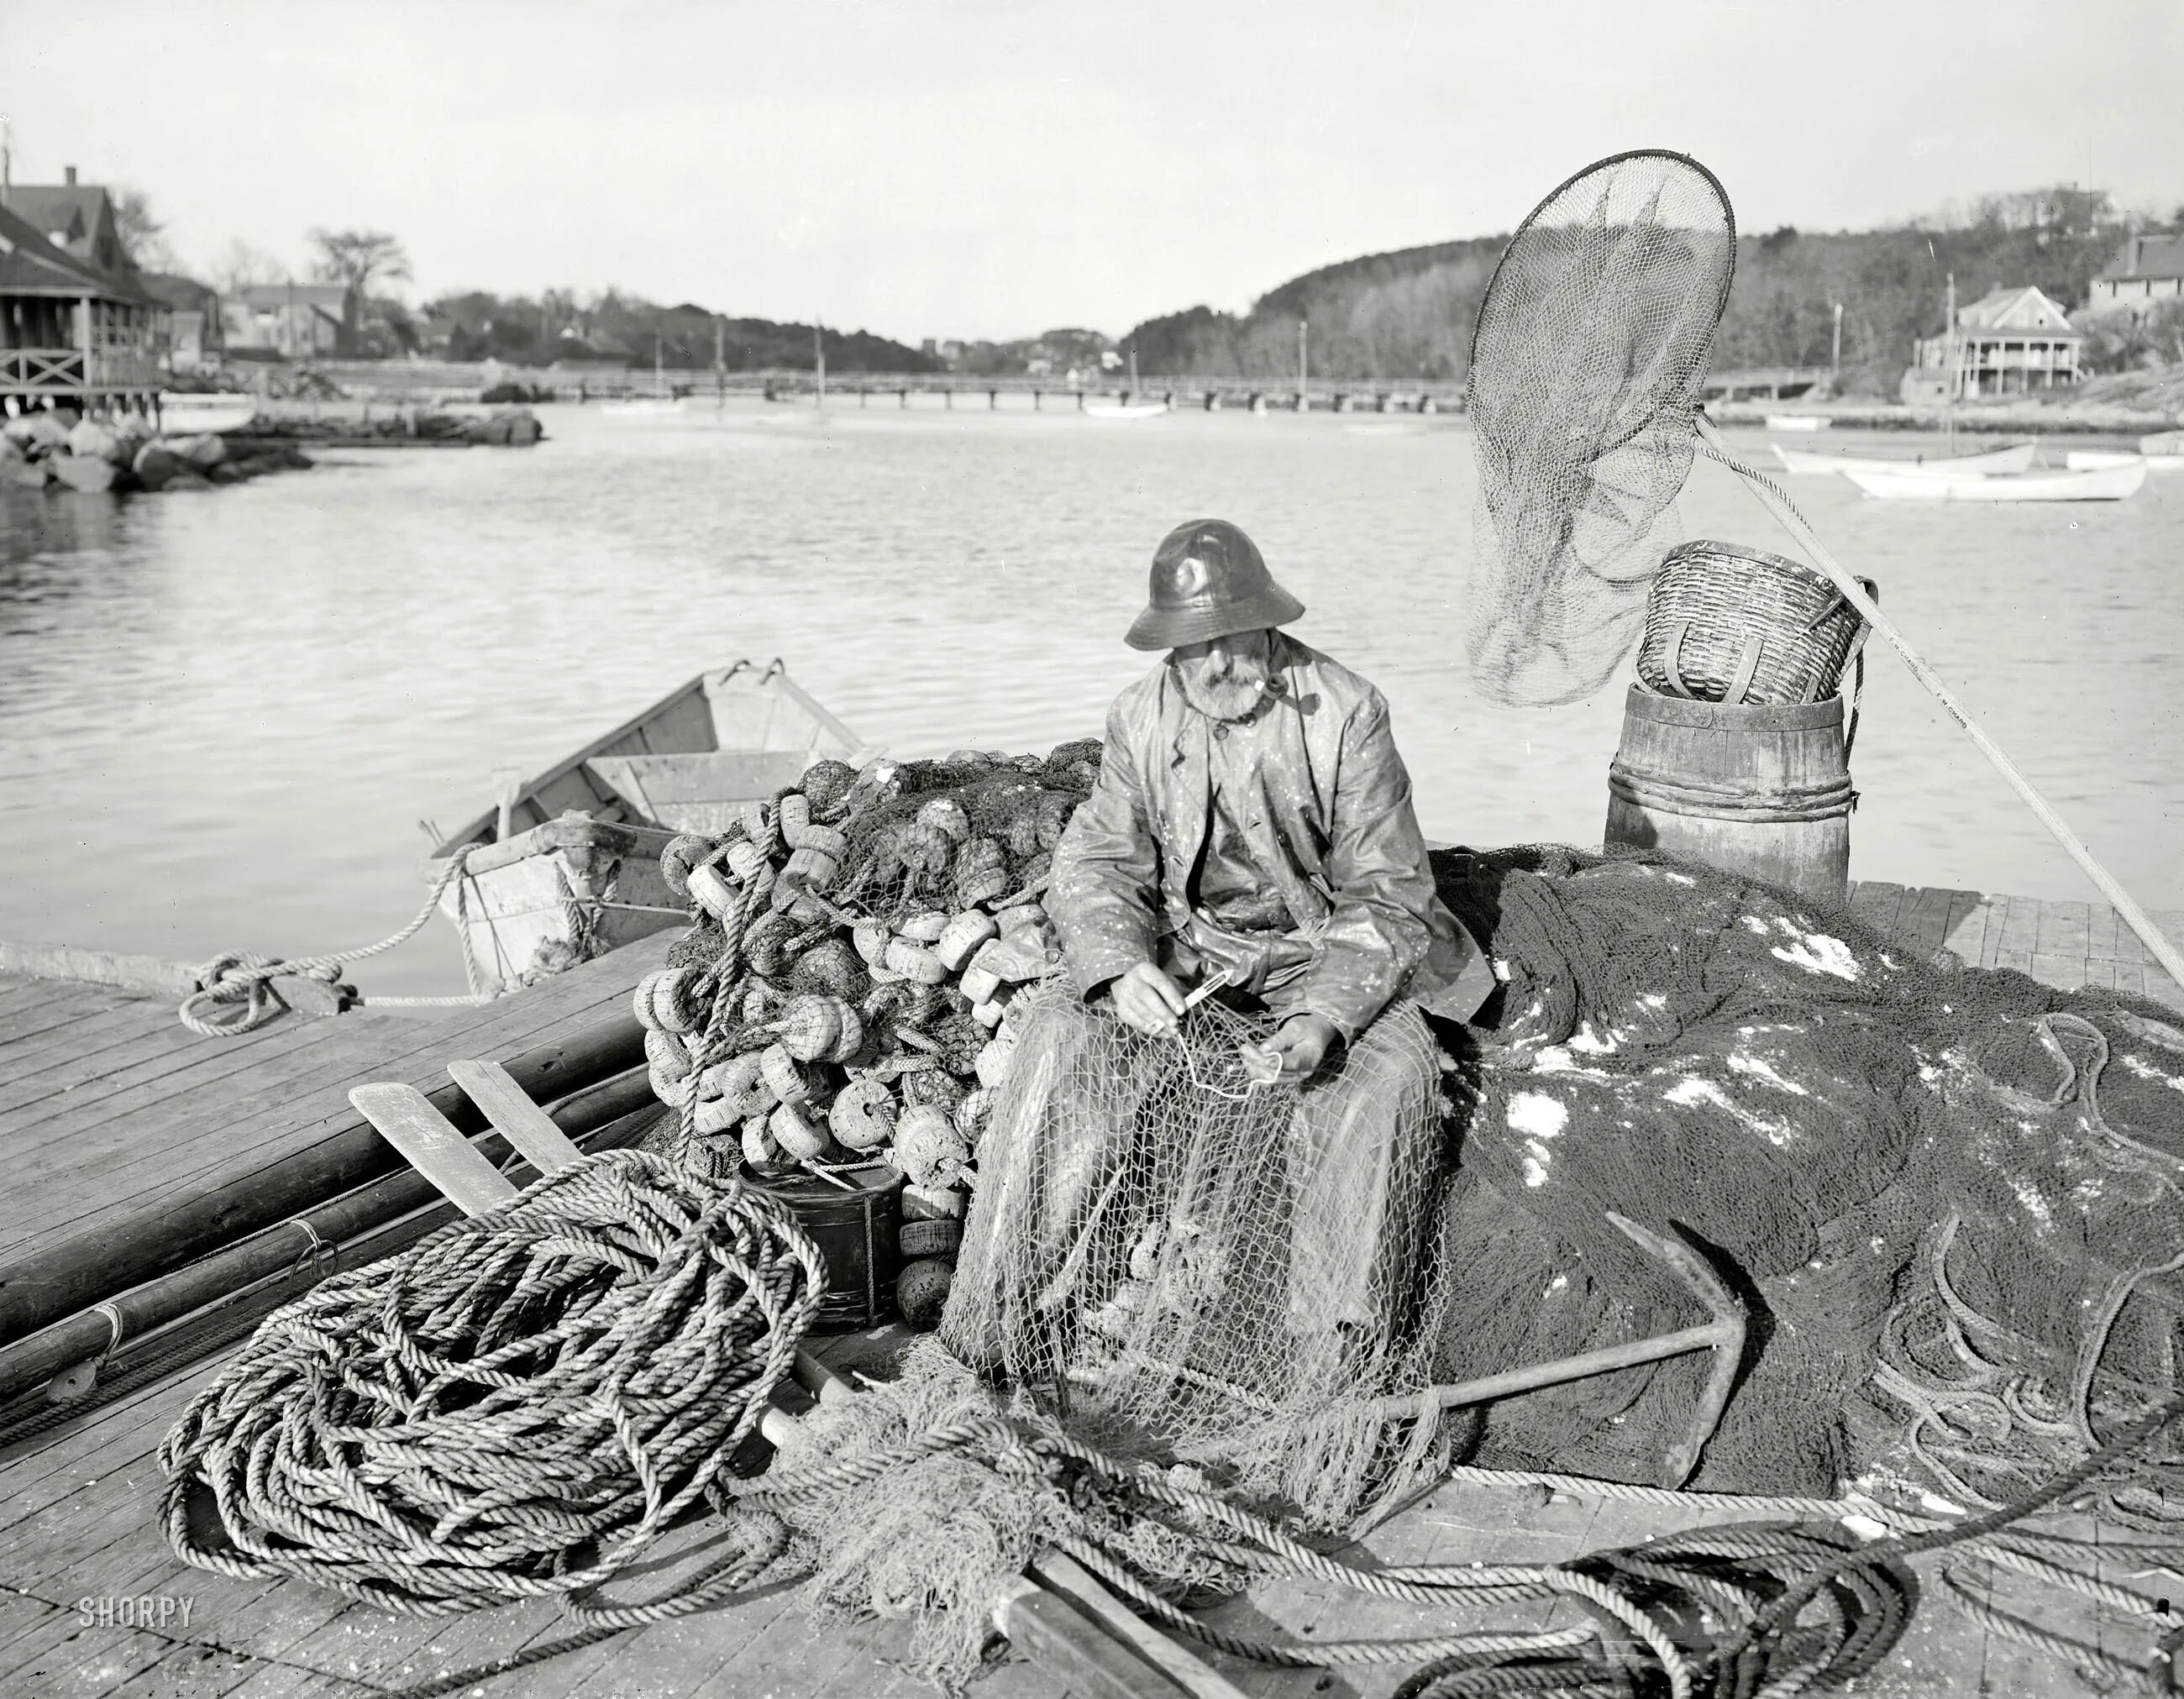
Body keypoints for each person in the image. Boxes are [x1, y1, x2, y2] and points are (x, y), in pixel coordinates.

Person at [945, 518, 1493, 1395]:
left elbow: (1388, 891)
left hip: (1321, 952)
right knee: (1059, 1037)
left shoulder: (1347, 712)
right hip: (1192, 954)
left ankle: (1327, 1361)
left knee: (1386, 1078)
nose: (1213, 665)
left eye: (1228, 640)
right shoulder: (1139, 714)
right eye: (1189, 649)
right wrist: (1122, 967)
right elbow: (1096, 860)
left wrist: (1320, 1020)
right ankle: (993, 1317)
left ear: (1264, 623)